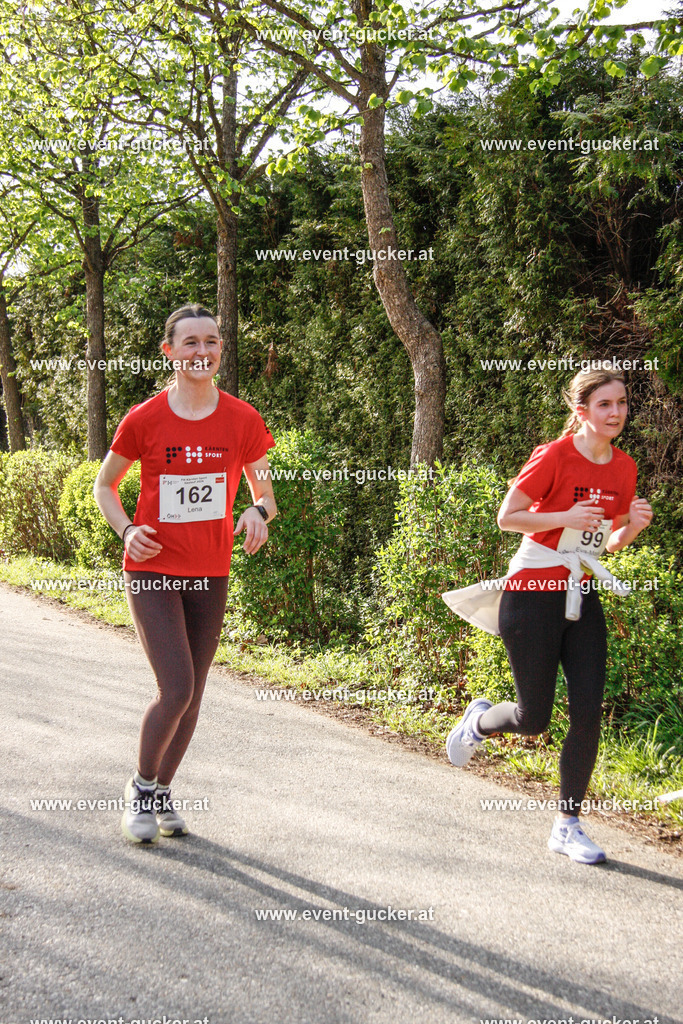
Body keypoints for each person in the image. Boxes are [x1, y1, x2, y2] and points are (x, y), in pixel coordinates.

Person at [444, 365, 652, 864]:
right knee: (532, 718)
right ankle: (479, 722)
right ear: (581, 411)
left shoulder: (623, 468)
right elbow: (507, 516)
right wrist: (564, 515)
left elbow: (608, 543)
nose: (616, 412)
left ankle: (567, 825)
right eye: (605, 404)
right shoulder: (554, 456)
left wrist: (634, 529)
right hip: (532, 593)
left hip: (581, 595)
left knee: (587, 712)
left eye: (622, 403)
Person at [94, 304, 276, 844]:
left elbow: (267, 496)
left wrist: (256, 512)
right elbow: (106, 486)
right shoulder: (143, 419)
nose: (203, 351)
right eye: (191, 342)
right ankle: (142, 787)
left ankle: (162, 791)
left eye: (212, 342)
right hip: (151, 569)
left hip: (209, 572)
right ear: (169, 351)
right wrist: (127, 530)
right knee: (175, 686)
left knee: (193, 695)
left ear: (221, 350)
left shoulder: (243, 421)